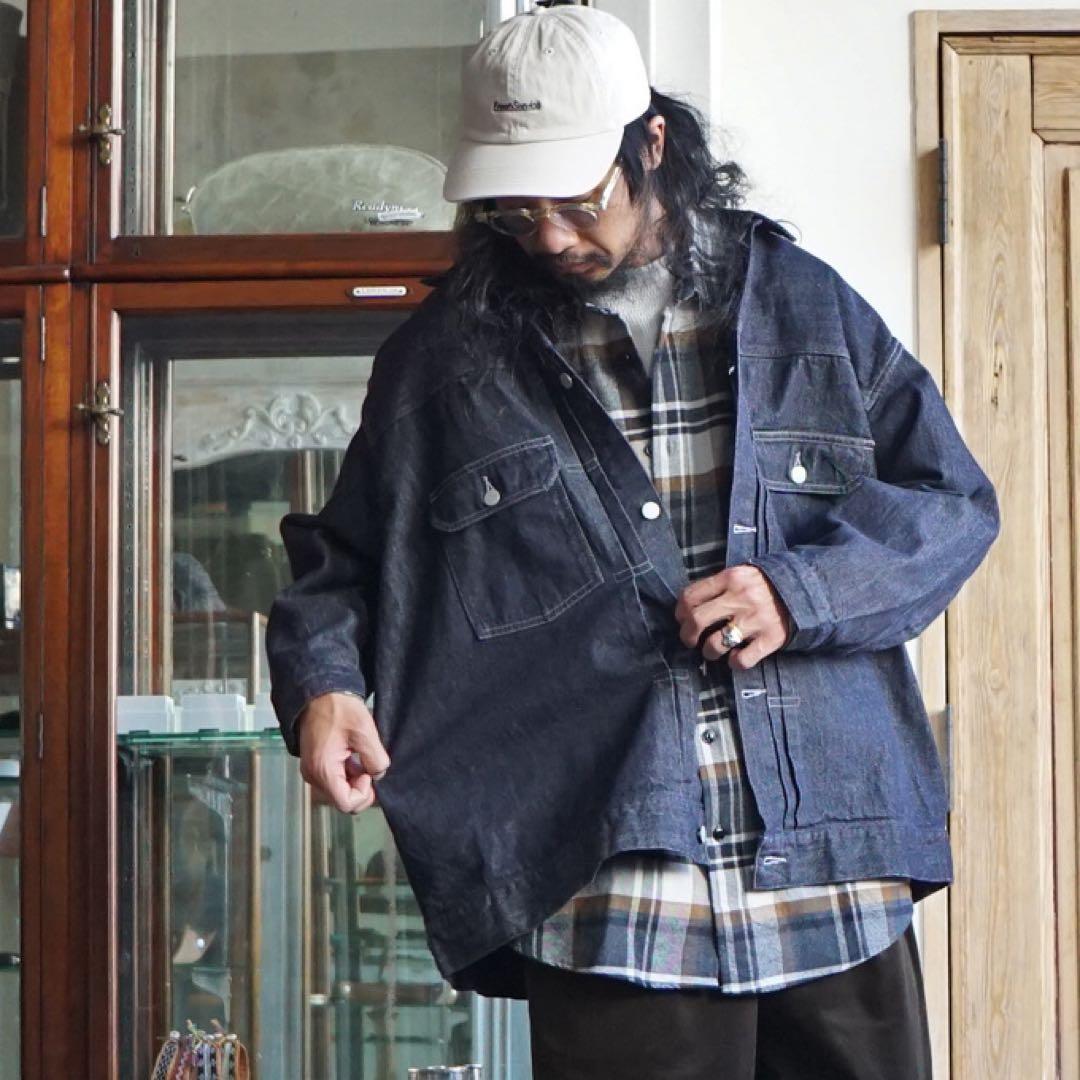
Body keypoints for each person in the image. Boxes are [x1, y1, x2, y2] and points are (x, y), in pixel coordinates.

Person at [266, 7, 999, 1077]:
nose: (551, 238)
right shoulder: (443, 365)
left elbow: (952, 500)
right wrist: (323, 686)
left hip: (829, 864)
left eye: (577, 200)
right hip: (605, 877)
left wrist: (801, 594)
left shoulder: (807, 311)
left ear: (652, 142)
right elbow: (342, 564)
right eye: (516, 211)